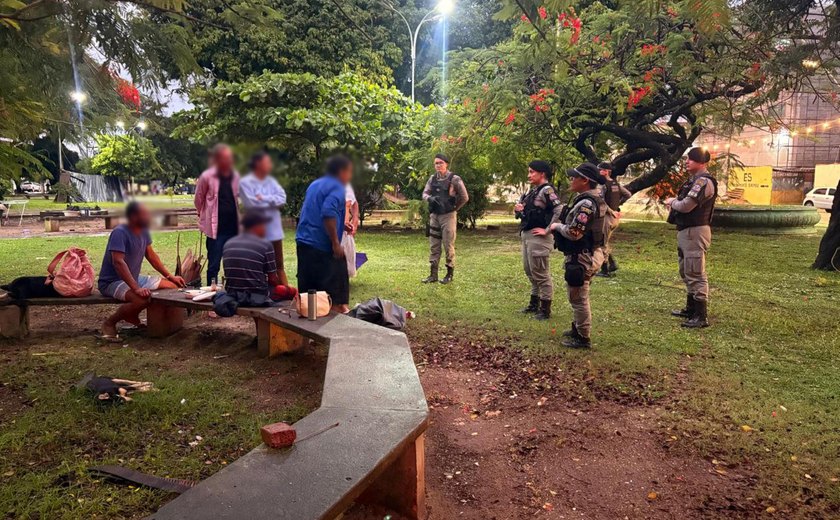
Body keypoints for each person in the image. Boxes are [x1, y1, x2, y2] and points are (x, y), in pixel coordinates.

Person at [98, 202, 186, 341]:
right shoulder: (119, 232)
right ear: (133, 216)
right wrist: (136, 288)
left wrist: (170, 276)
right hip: (112, 281)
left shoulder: (143, 230)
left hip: (133, 278)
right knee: (141, 299)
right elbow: (118, 262)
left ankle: (136, 316)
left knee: (173, 286)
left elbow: (151, 256)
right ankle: (109, 323)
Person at [548, 163, 608, 349]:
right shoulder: (594, 199)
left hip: (582, 255)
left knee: (579, 296)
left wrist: (556, 227)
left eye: (575, 177)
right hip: (589, 252)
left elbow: (575, 232)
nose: (571, 179)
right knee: (578, 294)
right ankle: (578, 327)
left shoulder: (587, 204)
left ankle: (583, 336)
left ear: (585, 180)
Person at [665, 147, 718, 329]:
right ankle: (691, 308)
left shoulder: (703, 182)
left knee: (695, 272)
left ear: (701, 162)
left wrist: (673, 202)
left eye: (691, 159)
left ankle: (700, 315)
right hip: (686, 230)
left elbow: (687, 206)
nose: (686, 162)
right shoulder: (694, 181)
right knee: (686, 270)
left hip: (695, 231)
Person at [296, 155, 353, 313]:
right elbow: (327, 213)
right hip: (321, 245)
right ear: (342, 171)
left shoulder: (315, 184)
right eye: (349, 172)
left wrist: (341, 225)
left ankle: (309, 328)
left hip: (303, 242)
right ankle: (339, 313)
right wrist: (335, 242)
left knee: (310, 295)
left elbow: (314, 210)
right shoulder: (337, 187)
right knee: (333, 294)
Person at [514, 160, 564, 320]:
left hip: (539, 237)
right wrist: (520, 209)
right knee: (530, 270)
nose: (529, 175)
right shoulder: (533, 191)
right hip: (528, 234)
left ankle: (545, 309)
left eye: (532, 172)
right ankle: (534, 304)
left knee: (541, 273)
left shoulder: (547, 190)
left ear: (542, 173)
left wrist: (549, 229)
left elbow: (559, 209)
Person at [239, 151, 289, 286]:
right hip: (258, 231)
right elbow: (252, 204)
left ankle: (286, 294)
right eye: (267, 162)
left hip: (275, 230)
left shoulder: (272, 182)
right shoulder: (245, 183)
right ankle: (263, 292)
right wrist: (272, 202)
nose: (270, 165)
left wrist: (265, 198)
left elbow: (282, 199)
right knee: (260, 264)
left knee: (279, 265)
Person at [195, 144, 240, 286]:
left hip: (233, 229)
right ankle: (210, 296)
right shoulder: (207, 176)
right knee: (213, 265)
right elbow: (198, 198)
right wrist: (202, 213)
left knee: (233, 264)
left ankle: (232, 293)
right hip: (215, 231)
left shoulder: (235, 176)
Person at [421, 153, 469, 284]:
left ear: (446, 164)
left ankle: (449, 273)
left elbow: (465, 197)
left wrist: (454, 208)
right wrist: (429, 198)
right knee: (434, 245)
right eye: (436, 163)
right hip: (435, 215)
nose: (438, 165)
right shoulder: (432, 179)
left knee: (448, 245)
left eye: (440, 163)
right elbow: (424, 193)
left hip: (448, 216)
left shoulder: (454, 179)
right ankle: (433, 274)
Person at [221, 209, 281, 302]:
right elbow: (273, 279)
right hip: (256, 295)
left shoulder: (228, 243)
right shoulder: (265, 244)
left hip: (232, 294)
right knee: (284, 291)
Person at [596, 161, 633, 277]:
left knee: (602, 242)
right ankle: (612, 264)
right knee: (605, 241)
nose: (598, 171)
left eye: (600, 169)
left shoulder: (603, 185)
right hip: (615, 217)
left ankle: (605, 269)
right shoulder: (615, 184)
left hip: (607, 217)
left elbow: (601, 202)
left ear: (606, 171)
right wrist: (617, 206)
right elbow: (628, 194)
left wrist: (612, 209)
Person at [343, 183, 360, 277]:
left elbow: (354, 203)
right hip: (334, 227)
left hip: (346, 229)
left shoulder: (347, 186)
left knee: (347, 256)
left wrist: (355, 220)